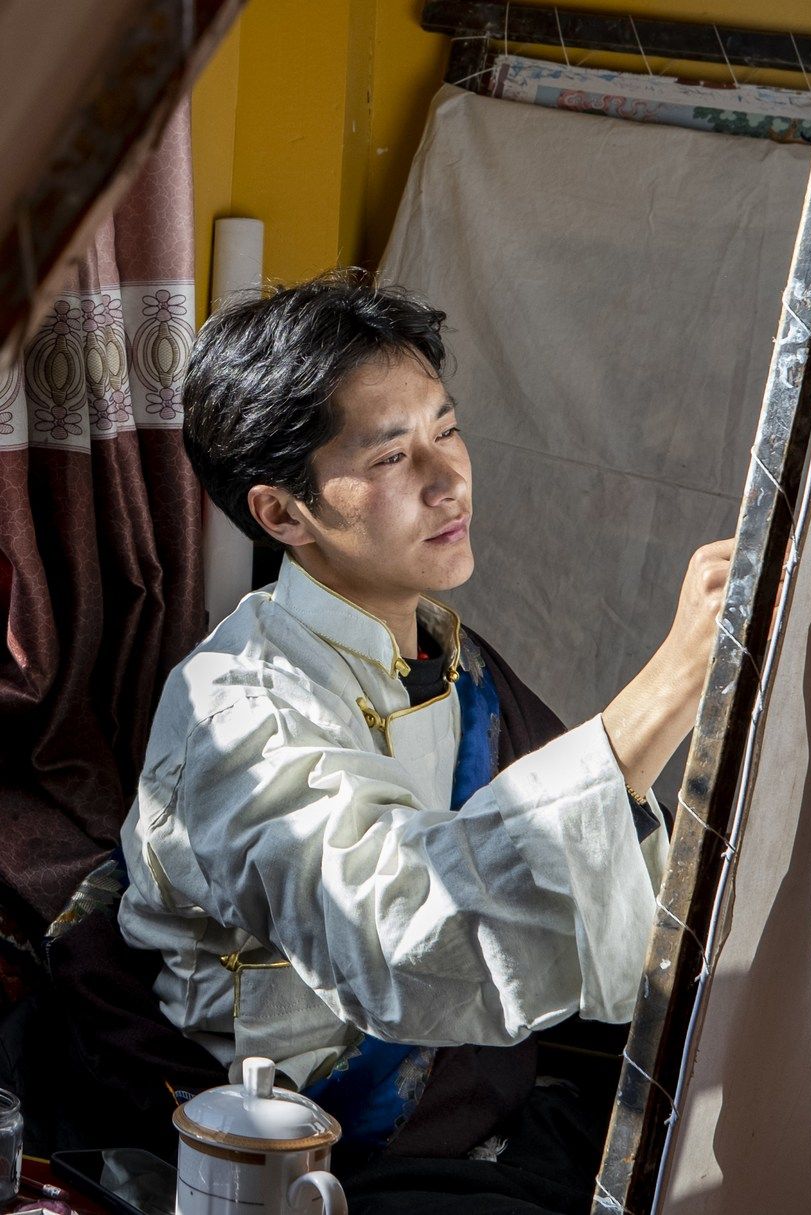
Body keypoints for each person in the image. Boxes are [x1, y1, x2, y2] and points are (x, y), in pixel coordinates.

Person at [118, 271, 732, 1212]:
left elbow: (611, 865)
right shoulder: (234, 713)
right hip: (317, 1159)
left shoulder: (450, 658)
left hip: (494, 1109)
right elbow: (394, 939)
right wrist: (673, 681)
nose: (449, 480)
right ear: (283, 513)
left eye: (446, 430)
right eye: (393, 456)